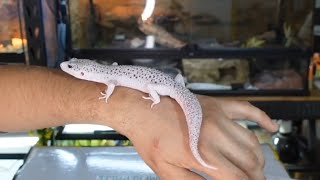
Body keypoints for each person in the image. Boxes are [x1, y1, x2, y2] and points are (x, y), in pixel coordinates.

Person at [0, 65, 278, 180]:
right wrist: (131, 109)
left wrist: (143, 108)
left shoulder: (106, 76)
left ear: (86, 70)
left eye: (73, 68)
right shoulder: (104, 73)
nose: (69, 69)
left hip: (167, 90)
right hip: (169, 87)